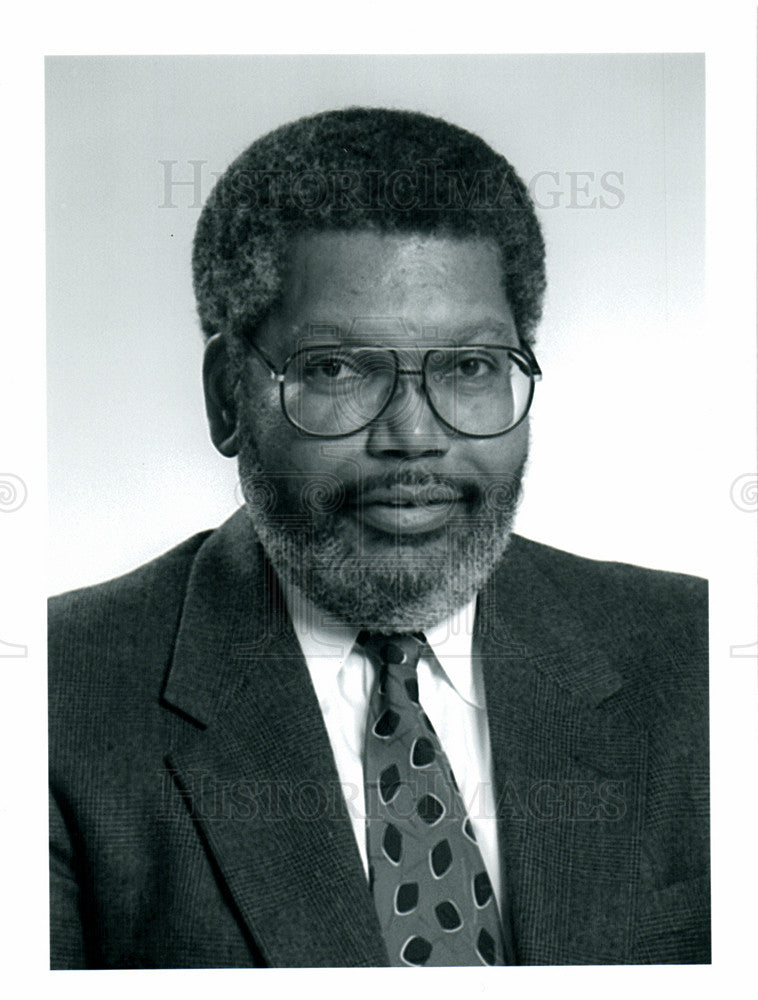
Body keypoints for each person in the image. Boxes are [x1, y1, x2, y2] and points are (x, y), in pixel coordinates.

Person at [48, 107, 709, 968]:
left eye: (470, 368)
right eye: (337, 370)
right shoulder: (52, 704)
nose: (413, 437)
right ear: (224, 397)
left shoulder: (699, 659)